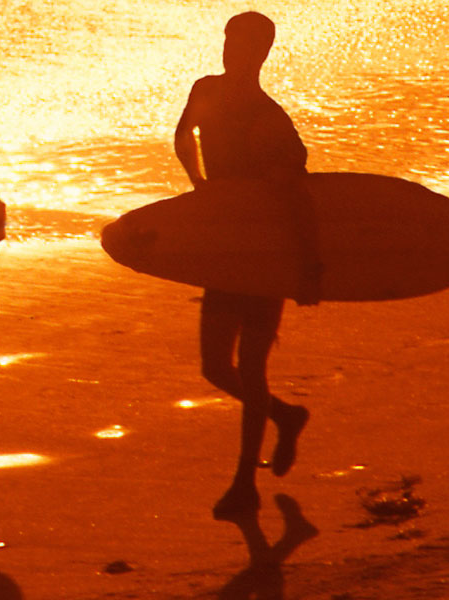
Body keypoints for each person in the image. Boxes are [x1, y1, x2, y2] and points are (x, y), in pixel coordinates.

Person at [172, 11, 318, 519]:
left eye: (241, 45)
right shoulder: (205, 90)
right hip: (225, 250)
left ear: (261, 53)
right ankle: (285, 415)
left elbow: (297, 197)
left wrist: (307, 267)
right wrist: (198, 187)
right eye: (228, 40)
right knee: (214, 366)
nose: (230, 51)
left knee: (252, 368)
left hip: (265, 256)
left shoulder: (267, 119)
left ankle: (242, 484)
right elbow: (182, 135)